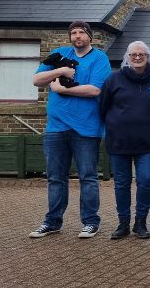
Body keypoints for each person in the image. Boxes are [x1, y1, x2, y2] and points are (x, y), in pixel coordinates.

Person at [29, 21, 111, 239]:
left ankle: (91, 222)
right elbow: (37, 80)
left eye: (81, 33)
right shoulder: (59, 53)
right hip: (56, 127)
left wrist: (60, 88)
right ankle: (53, 222)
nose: (77, 36)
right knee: (55, 177)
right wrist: (61, 70)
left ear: (90, 37)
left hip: (86, 128)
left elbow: (94, 90)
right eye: (73, 33)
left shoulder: (99, 58)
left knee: (88, 177)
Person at [99, 41, 150, 240]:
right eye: (133, 54)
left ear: (148, 57)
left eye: (141, 54)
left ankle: (141, 222)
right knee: (122, 184)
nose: (137, 57)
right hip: (119, 143)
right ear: (127, 57)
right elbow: (103, 108)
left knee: (145, 181)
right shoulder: (114, 79)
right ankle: (123, 223)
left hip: (145, 144)